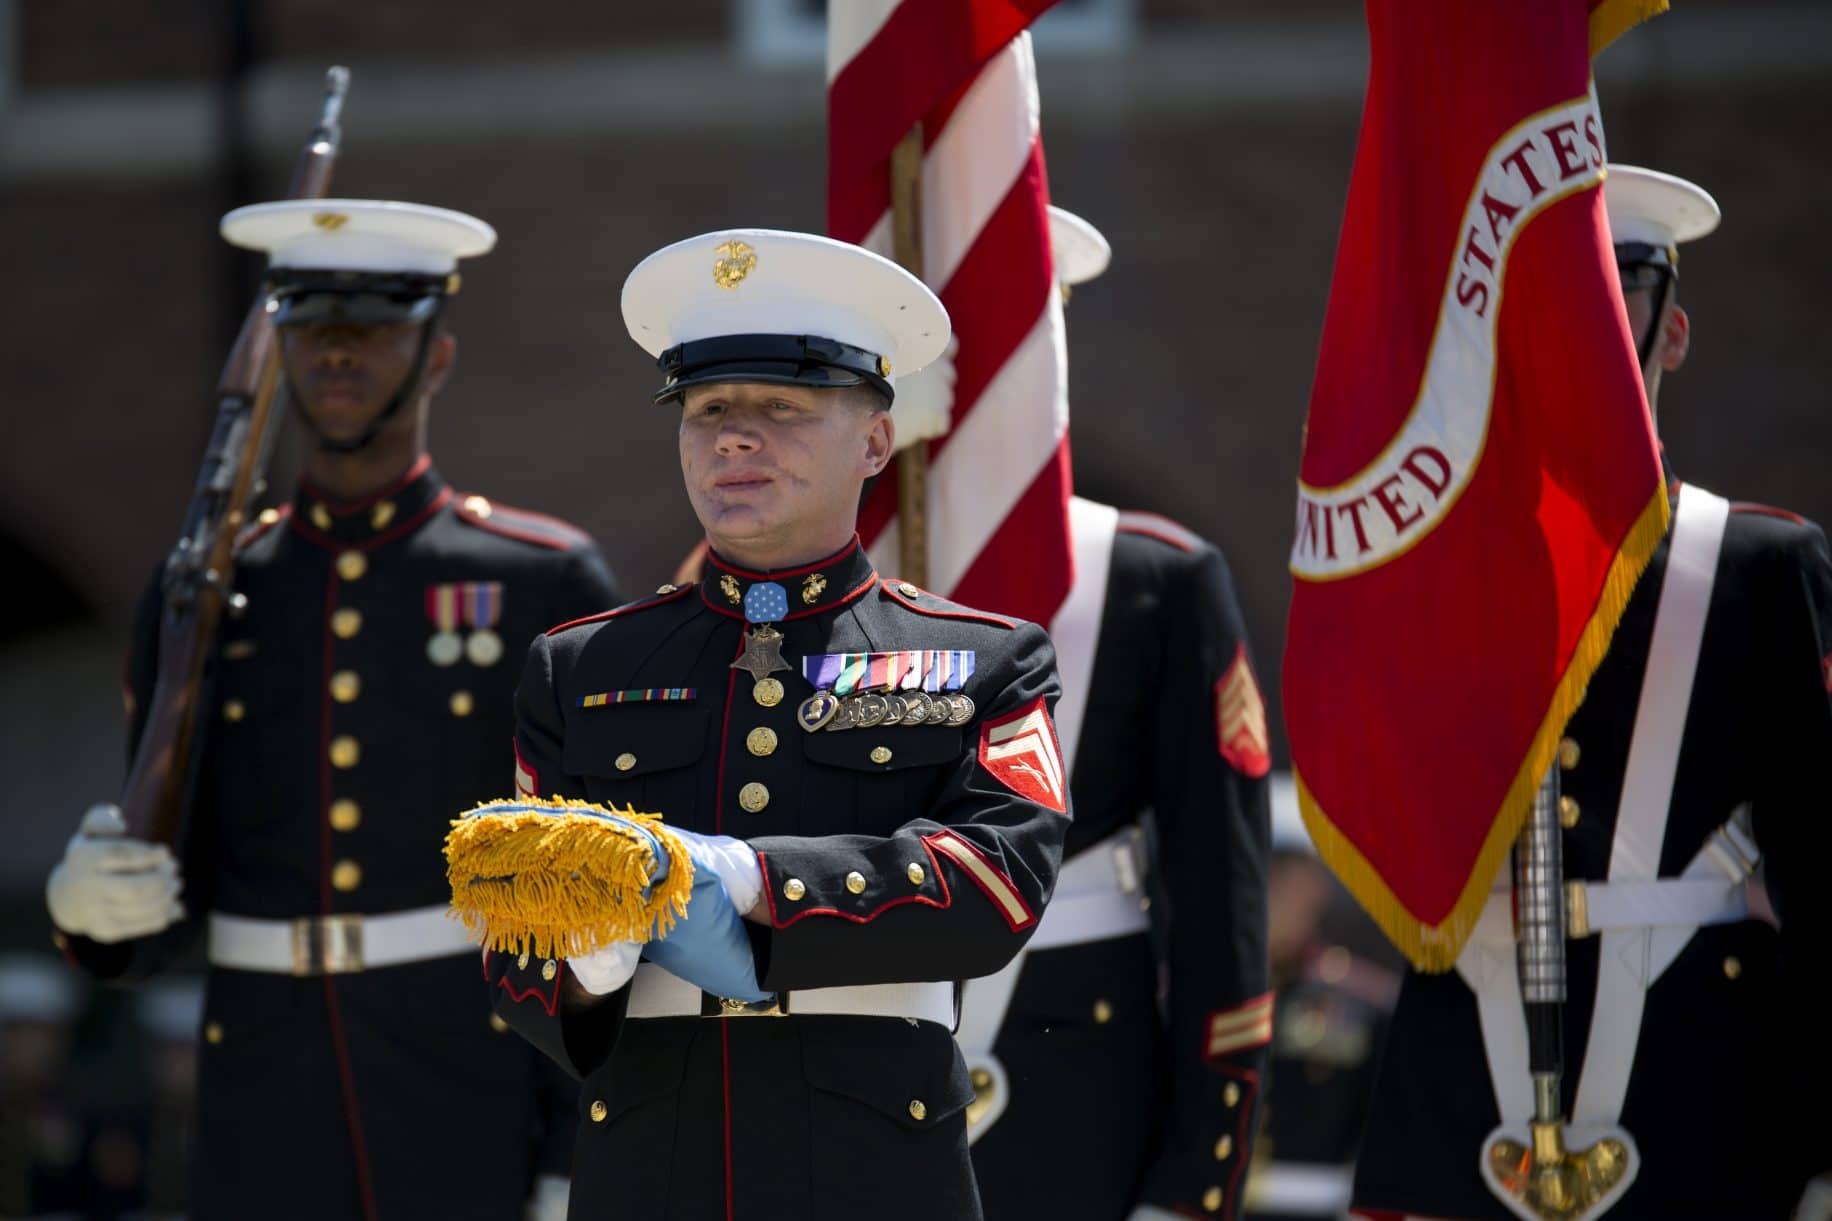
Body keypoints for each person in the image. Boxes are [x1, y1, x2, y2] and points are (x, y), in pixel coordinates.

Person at [44, 198, 619, 1220]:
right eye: (312, 330)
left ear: (435, 355)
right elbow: (169, 882)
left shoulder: (539, 578)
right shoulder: (210, 587)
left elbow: (595, 903)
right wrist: (99, 913)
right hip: (262, 1081)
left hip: (467, 1077)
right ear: (277, 354)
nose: (338, 357)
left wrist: (574, 1151)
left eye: (372, 329)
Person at [482, 227, 1069, 1220]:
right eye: (706, 408)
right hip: (646, 1155)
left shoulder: (983, 656)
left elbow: (999, 881)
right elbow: (512, 952)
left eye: (781, 408)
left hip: (872, 1158)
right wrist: (581, 956)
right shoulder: (581, 667)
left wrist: (748, 879)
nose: (732, 438)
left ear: (875, 440)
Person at [1348, 167, 1832, 1219]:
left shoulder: (1762, 566)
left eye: (1612, 309)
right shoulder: (1426, 573)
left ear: (1671, 336)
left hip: (1703, 1083)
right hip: (1459, 1081)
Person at [927, 207, 1272, 1221]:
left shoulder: (1153, 579)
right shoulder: (803, 586)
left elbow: (1222, 904)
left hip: (1083, 1107)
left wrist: (1189, 1183)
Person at [1241, 776, 1397, 1221]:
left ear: (1317, 887)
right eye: (1259, 869)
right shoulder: (1189, 996)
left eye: (1285, 873)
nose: (1268, 890)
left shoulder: (1360, 1004)